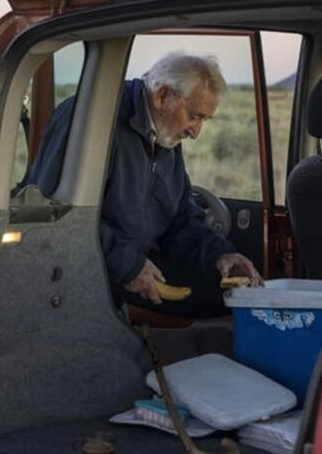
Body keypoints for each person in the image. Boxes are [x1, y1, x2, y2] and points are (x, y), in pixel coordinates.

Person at [27, 52, 261, 317]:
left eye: (204, 120)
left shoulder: (165, 136)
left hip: (134, 259)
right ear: (162, 96)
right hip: (83, 271)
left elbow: (182, 219)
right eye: (194, 116)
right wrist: (128, 266)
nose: (196, 133)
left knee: (222, 296)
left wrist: (221, 255)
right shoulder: (89, 120)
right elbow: (54, 216)